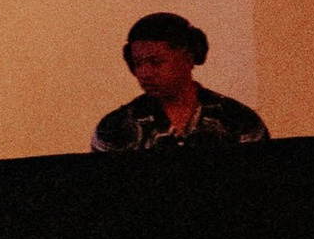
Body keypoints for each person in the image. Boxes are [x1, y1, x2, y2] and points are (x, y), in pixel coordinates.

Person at [93, 14, 269, 151]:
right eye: (138, 63)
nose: (144, 73)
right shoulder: (115, 128)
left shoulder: (238, 120)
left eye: (156, 62)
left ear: (188, 59)